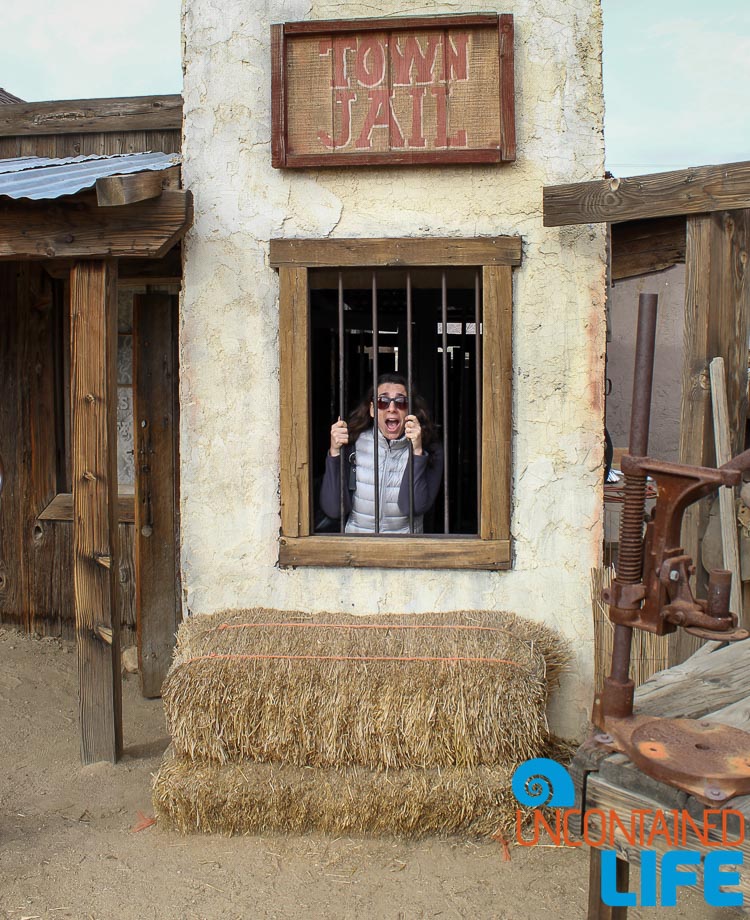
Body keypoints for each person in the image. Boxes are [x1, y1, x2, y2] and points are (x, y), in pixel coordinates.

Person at [320, 373, 444, 533]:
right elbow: (333, 509)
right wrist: (335, 452)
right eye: (383, 401)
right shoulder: (352, 443)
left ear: (410, 409)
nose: (391, 408)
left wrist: (417, 452)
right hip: (356, 548)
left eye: (401, 402)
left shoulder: (430, 449)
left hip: (406, 549)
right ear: (372, 409)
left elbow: (413, 508)